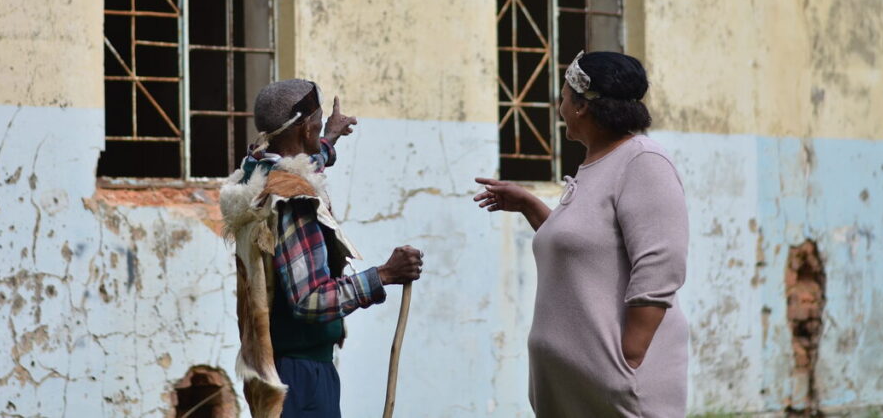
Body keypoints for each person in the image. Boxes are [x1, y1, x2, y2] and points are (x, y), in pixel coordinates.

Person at [474, 51, 689, 417]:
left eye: (562, 98)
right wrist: (529, 205)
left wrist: (627, 358)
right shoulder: (595, 166)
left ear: (581, 106)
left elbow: (661, 264)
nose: (559, 108)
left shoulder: (642, 161)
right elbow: (581, 250)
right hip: (576, 391)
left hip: (619, 391)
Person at [221, 79, 423, 418]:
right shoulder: (295, 201)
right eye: (317, 119)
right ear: (303, 128)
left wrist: (329, 138)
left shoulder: (256, 171)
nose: (320, 123)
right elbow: (309, 299)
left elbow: (303, 162)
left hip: (275, 368)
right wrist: (384, 275)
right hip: (301, 378)